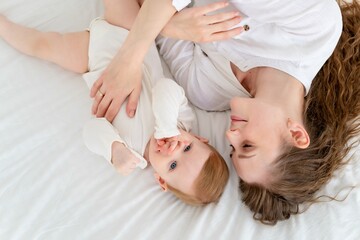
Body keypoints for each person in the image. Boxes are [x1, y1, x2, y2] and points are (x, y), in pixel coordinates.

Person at [92, 0, 360, 224]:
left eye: (232, 149)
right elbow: (146, 27)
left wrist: (169, 26)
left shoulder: (205, 92)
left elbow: (144, 20)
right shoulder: (314, 30)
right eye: (247, 145)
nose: (230, 134)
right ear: (296, 134)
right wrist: (129, 58)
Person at [0, 11, 229, 205]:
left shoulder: (132, 155)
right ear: (200, 138)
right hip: (131, 33)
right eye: (187, 149)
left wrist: (113, 150)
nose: (173, 149)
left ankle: (4, 26)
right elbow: (165, 89)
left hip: (91, 57)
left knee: (42, 45)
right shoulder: (182, 122)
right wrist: (167, 126)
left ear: (161, 180)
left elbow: (92, 130)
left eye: (172, 165)